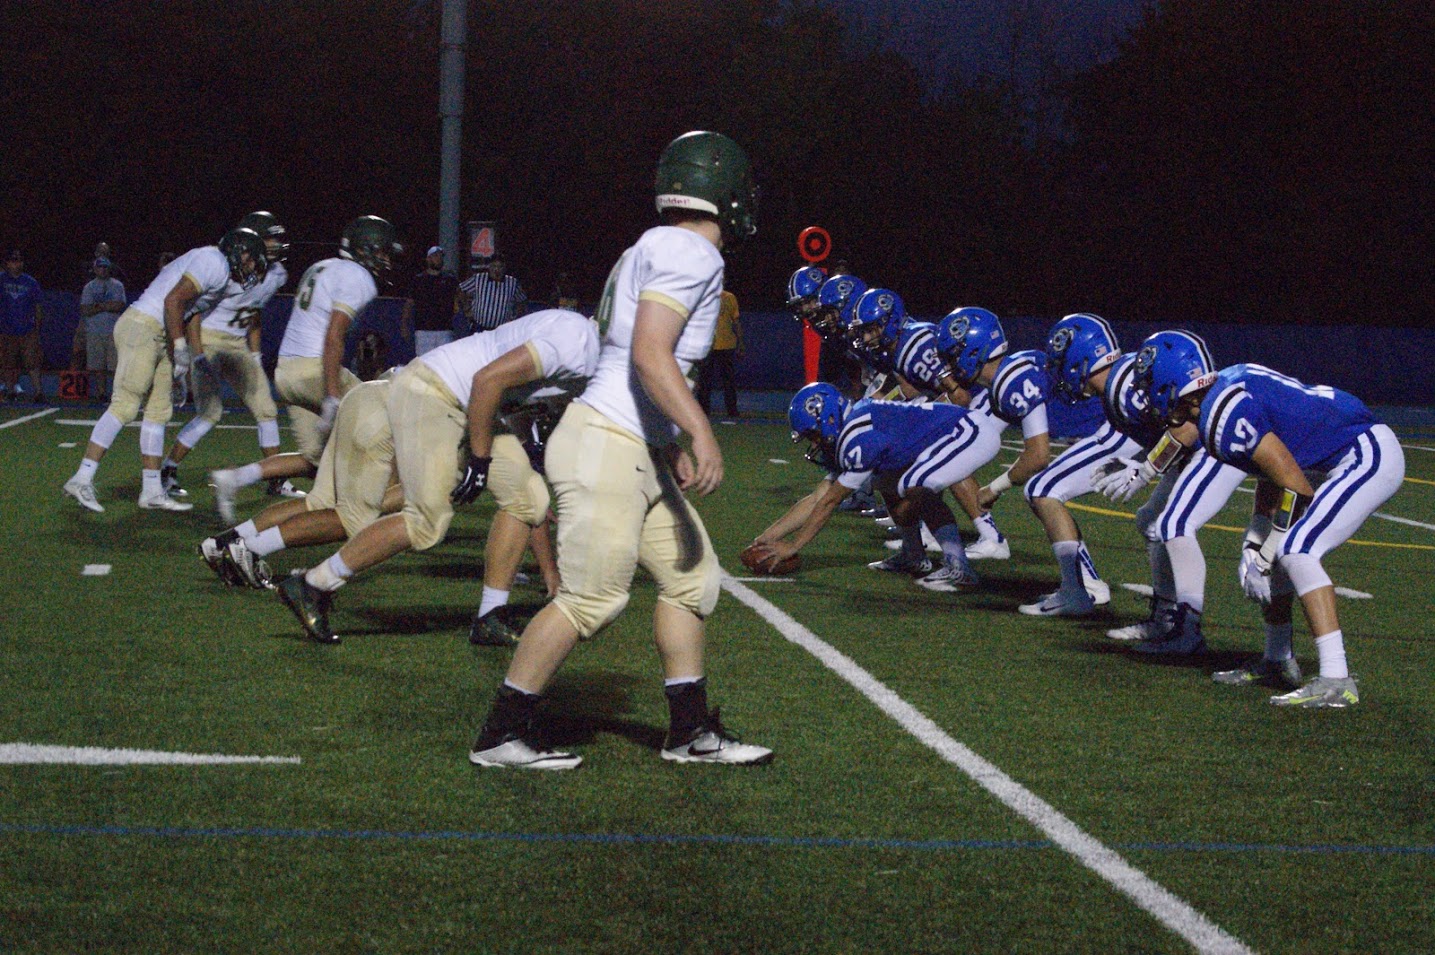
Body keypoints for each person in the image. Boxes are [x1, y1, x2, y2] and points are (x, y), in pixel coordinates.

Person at [468, 130, 771, 770]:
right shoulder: (692, 252)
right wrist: (700, 429)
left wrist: (667, 440)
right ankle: (501, 734)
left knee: (692, 580)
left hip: (630, 442)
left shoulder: (653, 246)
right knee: (591, 599)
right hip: (609, 442)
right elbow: (649, 352)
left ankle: (690, 732)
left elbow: (633, 358)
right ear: (727, 193)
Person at [273, 308, 600, 645]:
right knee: (426, 522)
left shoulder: (586, 347)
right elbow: (488, 379)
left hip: (467, 402)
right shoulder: (579, 341)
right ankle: (313, 584)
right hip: (433, 391)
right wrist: (480, 457)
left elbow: (509, 401)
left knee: (528, 498)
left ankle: (490, 616)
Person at [1138, 330, 1405, 708]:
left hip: (1364, 453)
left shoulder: (1224, 410)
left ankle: (1336, 679)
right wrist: (1256, 541)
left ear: (1171, 381)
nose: (1147, 394)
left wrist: (1266, 550)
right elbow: (1273, 472)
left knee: (1297, 550)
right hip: (1328, 459)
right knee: (1278, 552)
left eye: (1150, 383)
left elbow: (1296, 487)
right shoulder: (1220, 399)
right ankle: (1277, 659)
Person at [61, 229, 267, 513]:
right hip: (143, 325)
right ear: (237, 250)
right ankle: (81, 478)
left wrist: (185, 360)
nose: (252, 266)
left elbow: (190, 312)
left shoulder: (219, 273)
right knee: (125, 406)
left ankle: (152, 490)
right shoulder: (214, 262)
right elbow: (173, 301)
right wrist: (181, 347)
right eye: (250, 259)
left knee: (159, 411)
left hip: (161, 332)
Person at [209, 216, 400, 522]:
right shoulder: (358, 277)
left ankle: (234, 479)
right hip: (316, 371)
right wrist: (333, 396)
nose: (386, 260)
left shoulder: (322, 266)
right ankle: (388, 511)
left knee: (315, 459)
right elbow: (333, 336)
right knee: (389, 421)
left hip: (286, 374)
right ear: (367, 249)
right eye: (383, 252)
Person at [752, 383, 985, 592]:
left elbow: (829, 503)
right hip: (938, 437)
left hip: (959, 432)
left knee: (919, 490)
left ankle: (959, 565)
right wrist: (765, 538)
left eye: (813, 434)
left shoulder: (857, 435)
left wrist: (793, 546)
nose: (814, 442)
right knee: (888, 483)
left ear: (831, 419)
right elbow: (817, 497)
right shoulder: (850, 427)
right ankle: (913, 555)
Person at [159, 211, 296, 498]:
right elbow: (194, 313)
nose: (275, 244)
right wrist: (197, 355)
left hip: (237, 344)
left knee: (266, 410)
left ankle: (275, 479)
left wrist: (255, 355)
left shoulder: (277, 274)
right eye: (270, 239)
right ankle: (168, 469)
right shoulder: (229, 268)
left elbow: (254, 313)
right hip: (208, 339)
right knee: (210, 414)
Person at [77, 257, 126, 400]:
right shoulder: (89, 287)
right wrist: (106, 306)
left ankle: (116, 393)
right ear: (95, 269)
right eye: (100, 267)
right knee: (98, 367)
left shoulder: (117, 285)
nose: (103, 270)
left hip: (113, 331)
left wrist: (97, 306)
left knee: (115, 366)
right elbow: (85, 309)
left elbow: (119, 306)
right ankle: (101, 393)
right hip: (94, 331)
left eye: (105, 267)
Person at [0, 250, 46, 403]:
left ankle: (38, 392)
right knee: (8, 363)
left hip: (27, 330)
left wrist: (37, 328)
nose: (16, 264)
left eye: (18, 261)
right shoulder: (2, 280)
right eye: (13, 261)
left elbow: (38, 306)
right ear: (7, 263)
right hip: (6, 329)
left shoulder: (31, 282)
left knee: (32, 362)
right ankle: (11, 390)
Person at [401, 245, 460, 356]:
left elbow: (460, 295)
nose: (438, 259)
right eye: (435, 256)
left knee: (444, 362)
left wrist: (465, 309)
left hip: (445, 330)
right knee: (424, 363)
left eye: (440, 256)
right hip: (423, 331)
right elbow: (409, 304)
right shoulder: (418, 280)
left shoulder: (450, 280)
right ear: (428, 259)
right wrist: (404, 324)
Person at [696, 284, 742, 418]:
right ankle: (703, 411)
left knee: (728, 381)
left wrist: (740, 342)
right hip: (708, 346)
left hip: (727, 345)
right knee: (705, 381)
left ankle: (732, 410)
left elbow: (736, 321)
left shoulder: (729, 297)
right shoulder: (703, 297)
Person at [459, 254, 526, 332]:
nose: (496, 269)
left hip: (502, 329)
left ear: (504, 268)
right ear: (489, 267)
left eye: (500, 267)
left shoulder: (512, 283)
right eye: (494, 266)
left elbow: (522, 300)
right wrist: (466, 308)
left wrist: (515, 317)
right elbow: (461, 289)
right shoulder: (478, 279)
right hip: (479, 326)